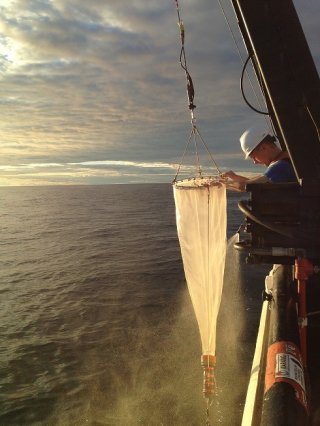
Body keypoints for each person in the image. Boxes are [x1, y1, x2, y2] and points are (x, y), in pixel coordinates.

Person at [222, 126, 297, 191]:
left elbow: (247, 186)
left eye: (254, 157)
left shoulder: (280, 166)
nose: (255, 162)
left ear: (264, 147)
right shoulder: (286, 161)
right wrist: (235, 177)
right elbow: (256, 183)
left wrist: (222, 183)